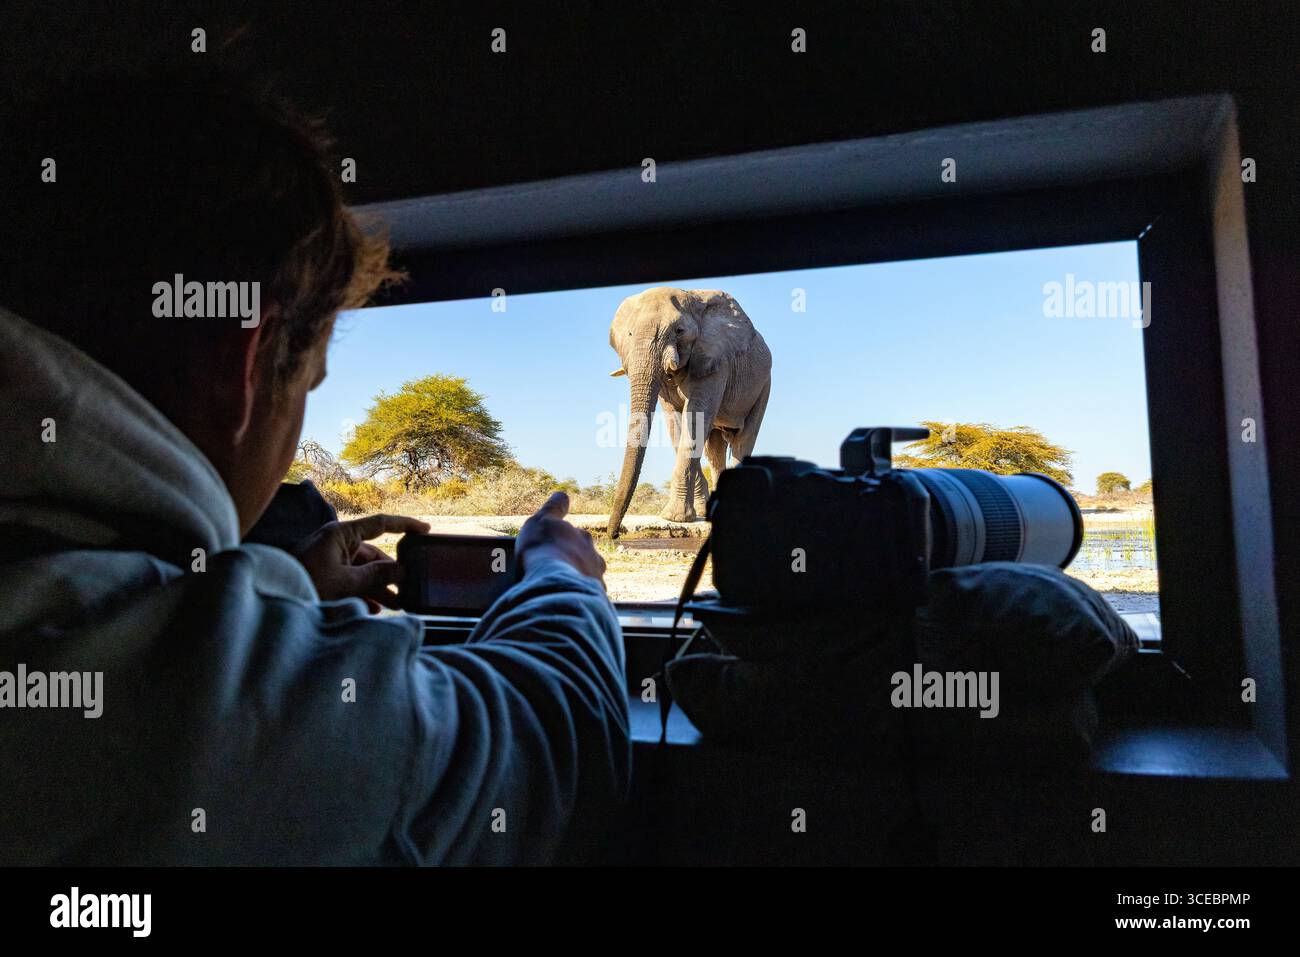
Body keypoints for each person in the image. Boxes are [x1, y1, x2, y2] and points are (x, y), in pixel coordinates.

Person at [0, 65, 629, 864]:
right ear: (240, 367)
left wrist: (274, 584)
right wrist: (562, 575)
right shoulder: (215, 704)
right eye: (308, 387)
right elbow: (548, 745)